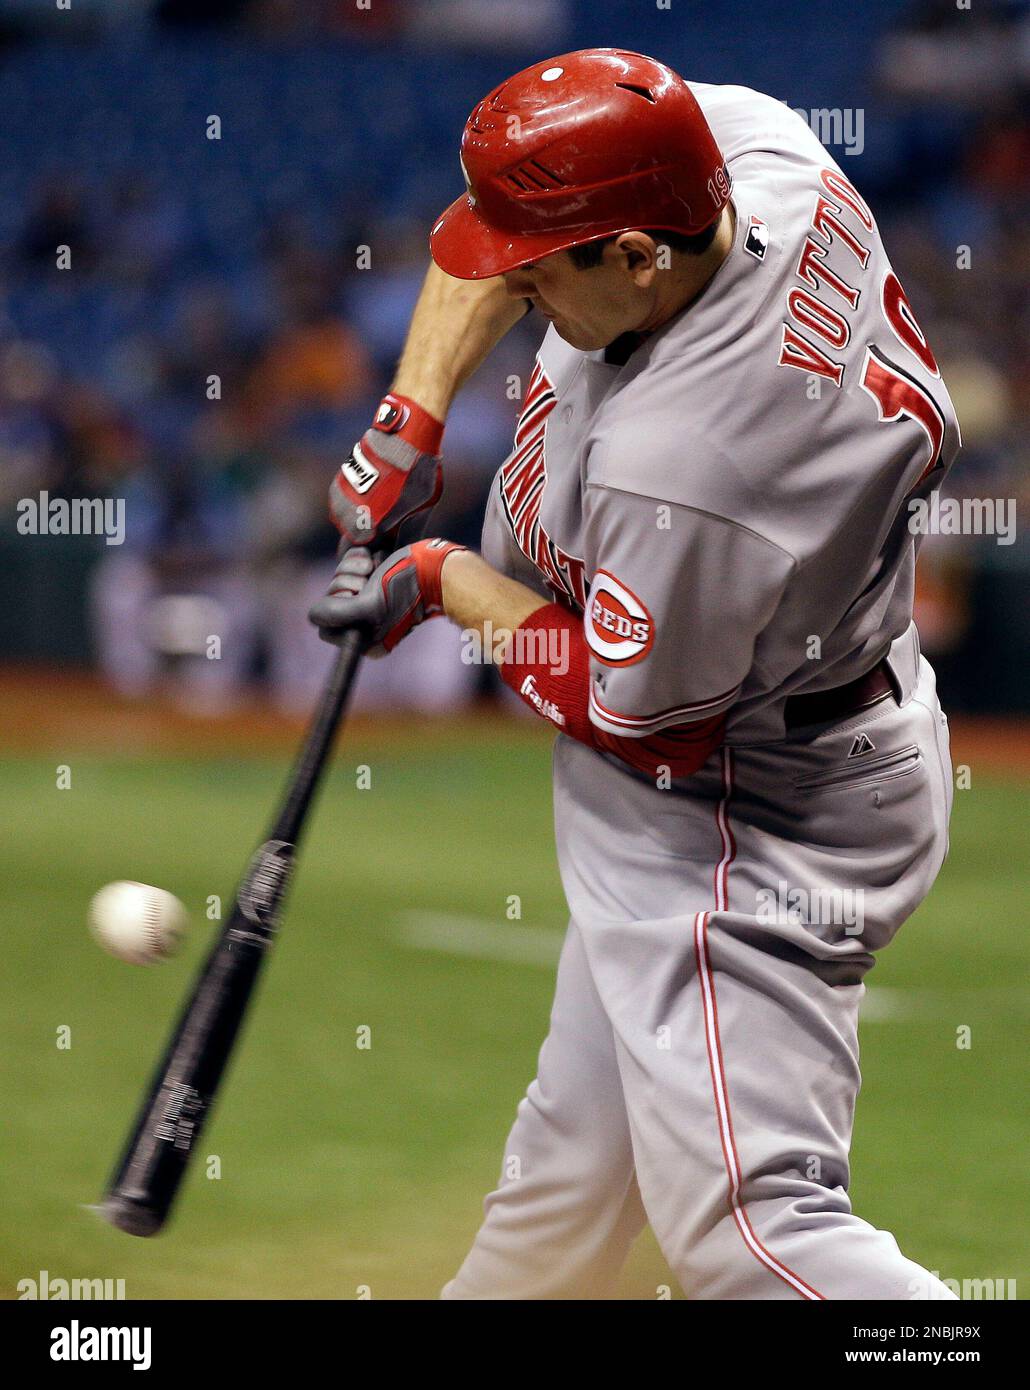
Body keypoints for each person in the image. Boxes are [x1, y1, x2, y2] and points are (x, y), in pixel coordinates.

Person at [311, 49, 960, 1300]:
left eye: (548, 273)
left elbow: (637, 720)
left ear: (636, 258)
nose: (524, 291)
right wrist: (411, 411)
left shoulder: (700, 458)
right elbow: (504, 231)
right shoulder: (754, 156)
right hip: (789, 721)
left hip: (741, 806)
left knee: (750, 1240)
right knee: (565, 1186)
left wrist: (442, 581)